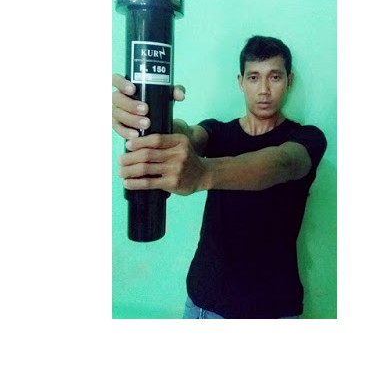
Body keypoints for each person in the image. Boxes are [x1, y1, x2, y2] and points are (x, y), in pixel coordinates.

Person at [112, 35, 327, 319]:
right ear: (241, 82)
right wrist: (148, 116)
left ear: (289, 81)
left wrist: (204, 174)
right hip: (204, 304)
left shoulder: (307, 138)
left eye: (274, 77)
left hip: (272, 309)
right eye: (253, 77)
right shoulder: (217, 132)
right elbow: (189, 135)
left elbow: (283, 162)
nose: (264, 90)